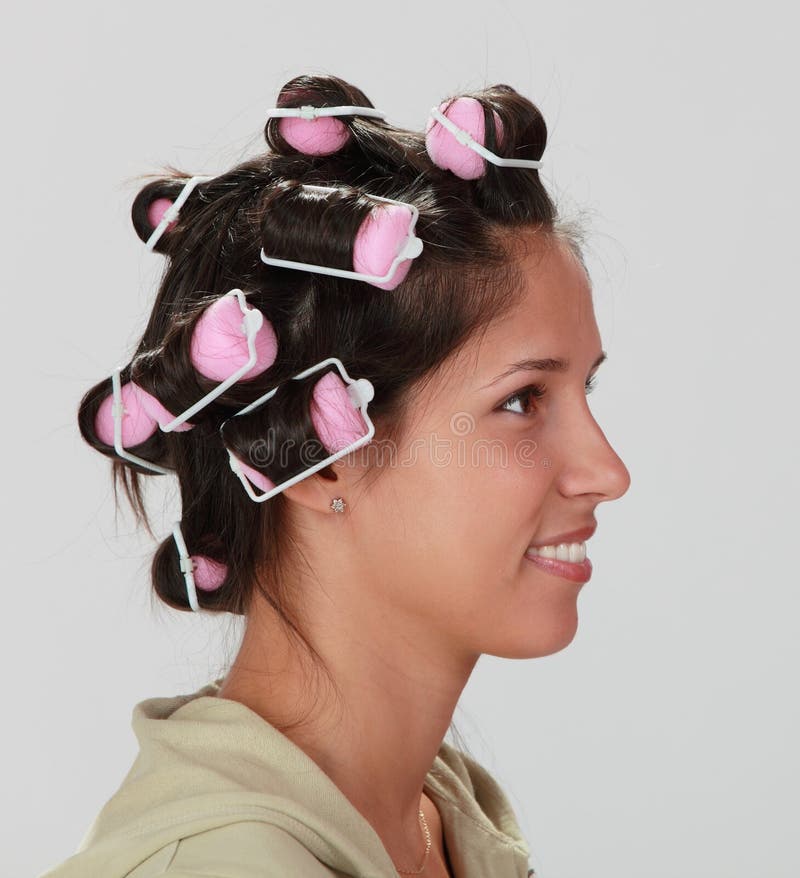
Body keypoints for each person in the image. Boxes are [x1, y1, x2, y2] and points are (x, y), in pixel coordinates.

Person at [41, 72, 630, 878]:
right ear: (315, 451)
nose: (607, 471)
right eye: (523, 400)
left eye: (582, 388)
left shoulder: (442, 819)